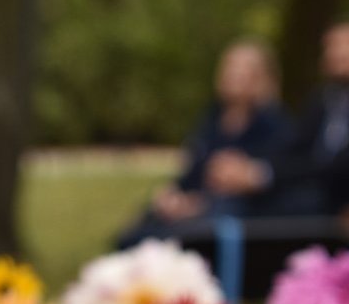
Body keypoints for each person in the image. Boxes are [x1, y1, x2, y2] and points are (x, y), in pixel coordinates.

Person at [207, 20, 349, 215]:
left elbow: (344, 169)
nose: (338, 53)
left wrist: (265, 176)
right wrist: (251, 168)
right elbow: (293, 149)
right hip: (314, 204)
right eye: (332, 46)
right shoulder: (322, 102)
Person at [118, 39, 293, 247]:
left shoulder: (275, 124)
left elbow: (277, 175)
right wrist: (173, 194)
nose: (232, 76)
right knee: (135, 233)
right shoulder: (211, 119)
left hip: (234, 214)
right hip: (194, 204)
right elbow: (192, 171)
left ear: (262, 78)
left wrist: (247, 176)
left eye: (242, 70)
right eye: (229, 68)